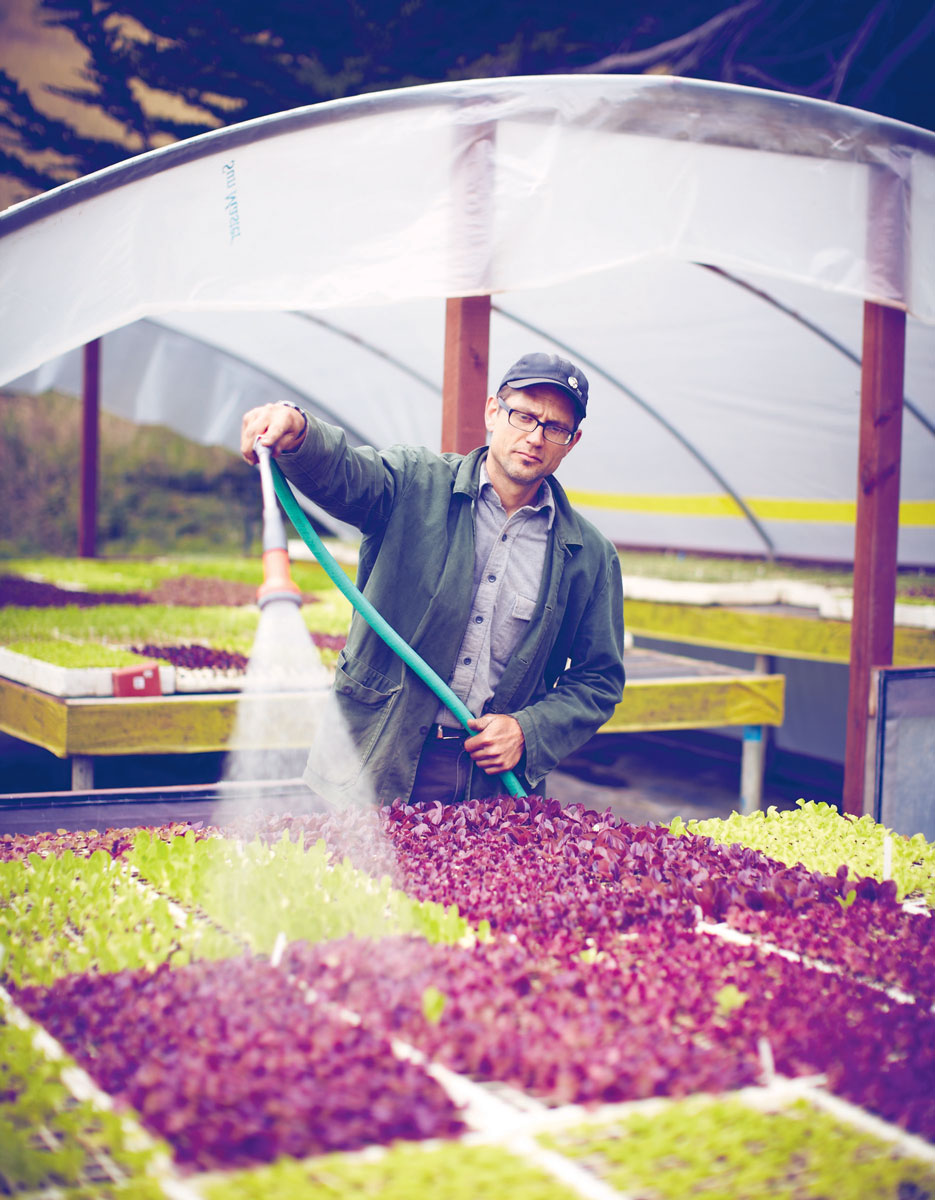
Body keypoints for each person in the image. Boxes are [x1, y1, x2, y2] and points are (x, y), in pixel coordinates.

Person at [240, 351, 625, 806]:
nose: (535, 437)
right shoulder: (414, 483)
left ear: (572, 440)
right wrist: (300, 431)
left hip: (491, 784)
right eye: (523, 416)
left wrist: (528, 730)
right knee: (350, 875)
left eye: (554, 427)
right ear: (492, 412)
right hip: (373, 754)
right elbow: (346, 474)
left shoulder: (589, 555)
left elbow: (598, 679)